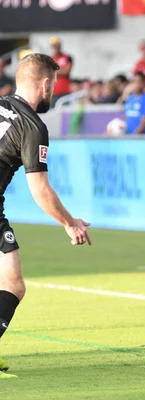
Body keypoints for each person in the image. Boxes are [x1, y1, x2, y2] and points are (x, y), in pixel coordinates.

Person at [0, 54, 91, 379]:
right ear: (46, 84)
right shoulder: (32, 125)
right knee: (12, 283)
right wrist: (70, 223)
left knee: (9, 278)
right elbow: (39, 188)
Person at [49, 37, 72, 106]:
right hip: (53, 92)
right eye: (54, 46)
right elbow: (49, 73)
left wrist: (54, 70)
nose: (56, 47)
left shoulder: (67, 57)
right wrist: (61, 69)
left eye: (57, 45)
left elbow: (66, 71)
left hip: (65, 91)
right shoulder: (50, 59)